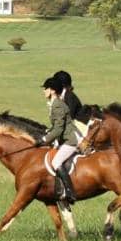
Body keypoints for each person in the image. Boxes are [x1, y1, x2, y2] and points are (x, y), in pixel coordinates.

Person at [35, 75, 78, 204]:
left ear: (52, 90)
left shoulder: (58, 105)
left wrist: (44, 139)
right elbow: (55, 126)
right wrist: (47, 132)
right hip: (63, 140)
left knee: (56, 162)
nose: (44, 91)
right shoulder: (55, 104)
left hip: (69, 141)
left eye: (46, 88)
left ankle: (70, 192)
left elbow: (59, 130)